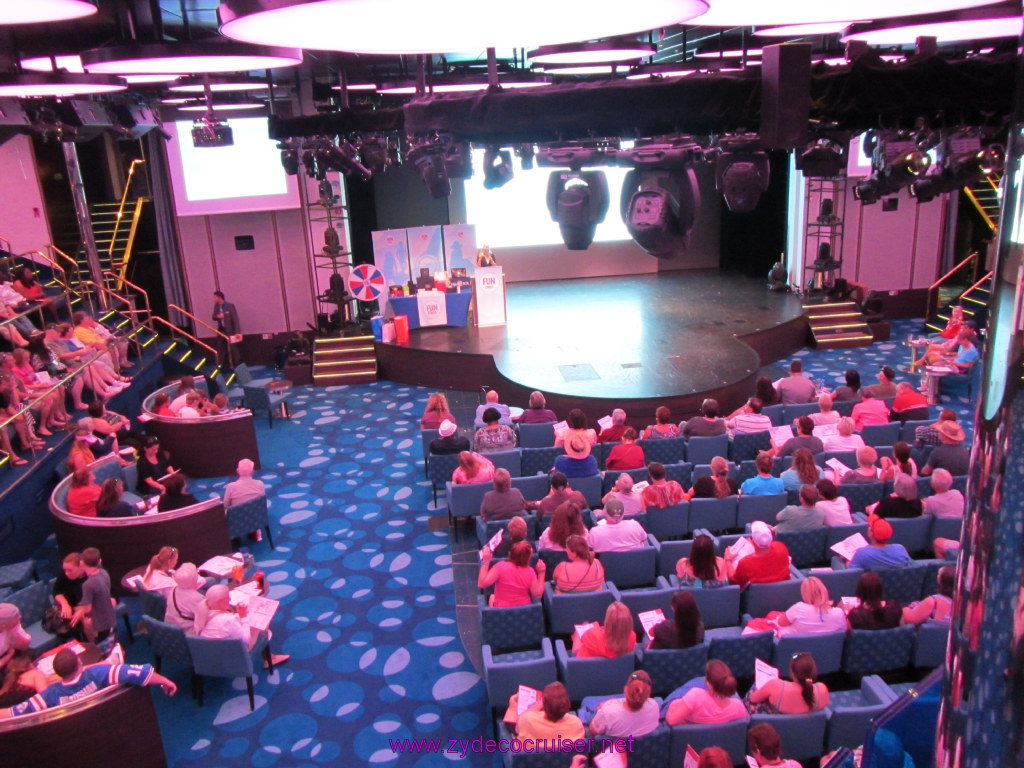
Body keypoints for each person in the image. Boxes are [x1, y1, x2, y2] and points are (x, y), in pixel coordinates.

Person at [1, 648, 177, 717]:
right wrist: (165, 681)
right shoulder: (97, 674)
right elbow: (139, 672)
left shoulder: (50, 694)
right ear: (79, 663)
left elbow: (11, 713)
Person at [194, 584, 289, 666]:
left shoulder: (201, 613)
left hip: (213, 653)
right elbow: (246, 639)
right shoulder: (229, 620)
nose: (230, 600)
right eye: (227, 598)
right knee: (260, 621)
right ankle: (269, 658)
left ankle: (269, 653)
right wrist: (243, 617)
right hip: (233, 653)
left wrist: (239, 616)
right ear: (220, 601)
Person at [664, 660, 747, 725]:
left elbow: (671, 721)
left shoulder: (695, 695)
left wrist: (672, 706)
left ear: (709, 684)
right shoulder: (739, 707)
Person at [746, 652, 829, 714]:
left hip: (775, 727)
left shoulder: (776, 685)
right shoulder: (822, 689)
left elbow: (753, 699)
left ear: (793, 673)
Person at [589, 670, 659, 739]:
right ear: (648, 694)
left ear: (625, 689)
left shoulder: (607, 712)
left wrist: (601, 712)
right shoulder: (654, 705)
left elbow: (593, 732)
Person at [506, 681, 584, 743]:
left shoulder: (528, 721)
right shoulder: (577, 724)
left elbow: (517, 726)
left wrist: (513, 704)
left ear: (544, 705)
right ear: (568, 704)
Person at [478, 541, 544, 607]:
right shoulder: (530, 572)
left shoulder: (500, 567)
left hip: (501, 610)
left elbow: (482, 583)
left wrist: (485, 561)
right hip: (523, 609)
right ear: (528, 558)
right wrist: (541, 573)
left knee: (492, 597)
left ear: (511, 554)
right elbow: (538, 595)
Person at [726, 521, 791, 587]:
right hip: (783, 590)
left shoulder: (745, 563)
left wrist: (727, 559)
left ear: (753, 541)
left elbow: (734, 582)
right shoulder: (781, 547)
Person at [776, 576, 847, 635]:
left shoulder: (799, 609)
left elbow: (780, 623)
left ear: (804, 594)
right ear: (824, 590)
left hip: (795, 646)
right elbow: (845, 632)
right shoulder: (839, 613)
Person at [74, 547, 115, 643]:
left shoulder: (87, 585)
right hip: (110, 616)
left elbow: (88, 609)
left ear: (82, 563)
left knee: (101, 645)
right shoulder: (104, 573)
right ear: (100, 561)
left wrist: (78, 609)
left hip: (99, 622)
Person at [52, 553, 87, 640]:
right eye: (65, 570)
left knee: (87, 623)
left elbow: (100, 598)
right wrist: (64, 604)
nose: (66, 573)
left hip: (90, 607)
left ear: (81, 567)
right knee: (70, 625)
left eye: (70, 570)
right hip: (72, 607)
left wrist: (84, 609)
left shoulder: (92, 576)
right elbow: (56, 591)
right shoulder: (64, 574)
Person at [164, 562, 205, 631]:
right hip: (185, 631)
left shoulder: (173, 589)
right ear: (194, 578)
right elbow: (203, 620)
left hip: (169, 625)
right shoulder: (197, 599)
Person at [212, 290, 241, 367]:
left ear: (219, 297)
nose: (214, 299)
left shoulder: (230, 306)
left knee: (233, 347)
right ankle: (219, 365)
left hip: (230, 330)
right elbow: (213, 317)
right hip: (221, 330)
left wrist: (237, 331)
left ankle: (237, 364)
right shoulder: (216, 306)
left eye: (215, 297)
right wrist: (218, 316)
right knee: (220, 347)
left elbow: (235, 319)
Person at [0, 603, 30, 674]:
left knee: (29, 654)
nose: (20, 616)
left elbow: (24, 647)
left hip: (9, 652)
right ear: (4, 625)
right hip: (4, 658)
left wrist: (14, 632)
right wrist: (9, 655)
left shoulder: (14, 625)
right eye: (16, 616)